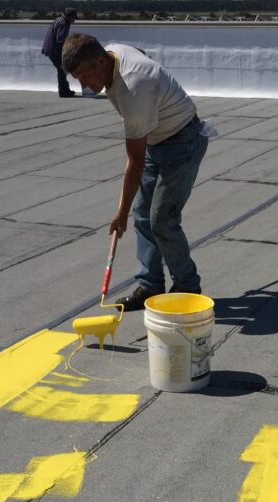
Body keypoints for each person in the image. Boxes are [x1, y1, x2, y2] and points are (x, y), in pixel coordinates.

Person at [62, 33, 208, 310]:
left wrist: (120, 213)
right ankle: (150, 286)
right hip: (156, 137)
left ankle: (188, 286)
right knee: (142, 214)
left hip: (182, 140)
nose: (84, 85)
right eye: (77, 79)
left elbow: (135, 162)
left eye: (85, 76)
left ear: (100, 61)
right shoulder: (112, 52)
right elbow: (140, 52)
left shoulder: (134, 88)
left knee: (161, 219)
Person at [41, 8, 77, 98]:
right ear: (68, 16)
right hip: (54, 50)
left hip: (52, 49)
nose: (74, 20)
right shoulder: (62, 24)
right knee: (62, 69)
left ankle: (65, 90)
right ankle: (63, 91)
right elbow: (60, 40)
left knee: (62, 70)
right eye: (73, 18)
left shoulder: (60, 20)